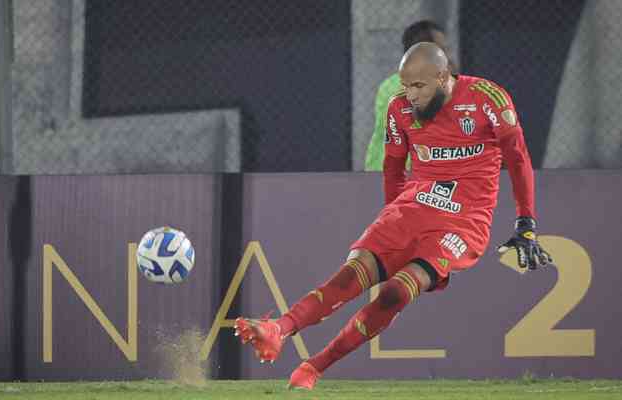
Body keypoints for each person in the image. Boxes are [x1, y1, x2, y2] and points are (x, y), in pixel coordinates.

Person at [235, 43, 553, 390]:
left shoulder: (486, 98)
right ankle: (277, 329)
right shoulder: (399, 109)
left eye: (419, 86)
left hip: (464, 222)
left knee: (396, 294)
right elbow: (392, 168)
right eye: (406, 86)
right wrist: (392, 217)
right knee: (350, 276)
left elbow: (518, 158)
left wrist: (526, 224)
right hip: (412, 208)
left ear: (444, 77)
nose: (410, 95)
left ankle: (313, 368)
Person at [364, 20, 455, 171]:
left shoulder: (389, 83)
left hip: (382, 170)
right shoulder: (410, 89)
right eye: (443, 50)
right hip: (402, 174)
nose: (448, 56)